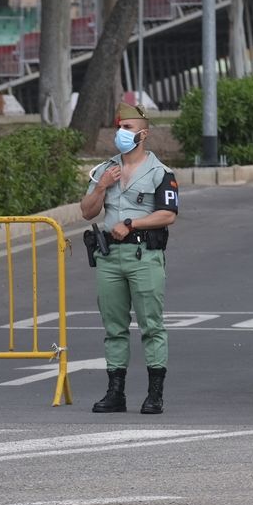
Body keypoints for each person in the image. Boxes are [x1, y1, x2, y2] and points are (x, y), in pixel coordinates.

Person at [79, 101, 180, 414]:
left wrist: (132, 223)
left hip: (143, 255)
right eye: (119, 128)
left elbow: (168, 214)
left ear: (143, 134)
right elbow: (87, 211)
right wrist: (101, 188)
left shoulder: (160, 173)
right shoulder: (104, 170)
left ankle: (155, 394)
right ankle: (116, 393)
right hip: (109, 257)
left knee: (151, 325)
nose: (121, 133)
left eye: (127, 128)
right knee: (114, 326)